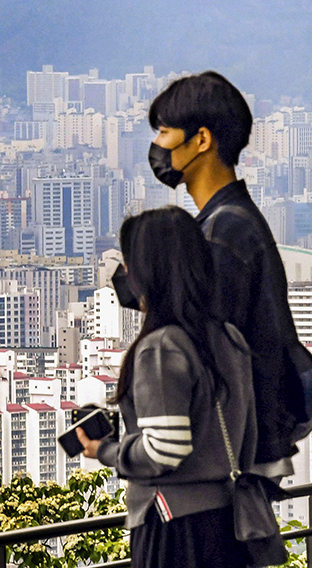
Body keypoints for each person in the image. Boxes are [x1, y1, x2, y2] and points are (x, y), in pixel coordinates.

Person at [146, 71, 309, 474]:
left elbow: (204, 332)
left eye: (165, 132)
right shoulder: (227, 220)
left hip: (234, 456)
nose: (158, 146)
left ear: (201, 140)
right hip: (249, 442)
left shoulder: (224, 230)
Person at [79, 207, 259, 568]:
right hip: (228, 519)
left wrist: (106, 450)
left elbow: (164, 451)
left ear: (151, 270)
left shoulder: (162, 347)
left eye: (130, 265)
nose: (124, 277)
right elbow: (248, 434)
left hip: (175, 528)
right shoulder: (229, 337)